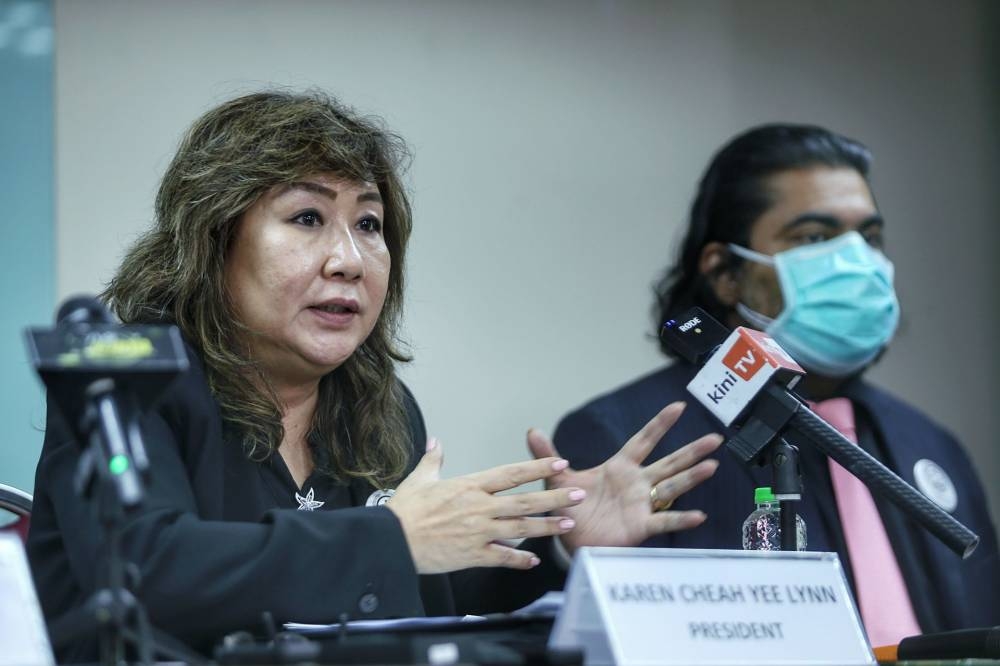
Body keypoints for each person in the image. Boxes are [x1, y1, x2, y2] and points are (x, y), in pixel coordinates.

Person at [26, 90, 724, 661]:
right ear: (213, 241)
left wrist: (562, 548)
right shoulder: (126, 382)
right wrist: (391, 538)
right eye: (307, 218)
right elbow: (146, 569)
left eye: (368, 224)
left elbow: (424, 598)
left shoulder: (378, 404)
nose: (350, 260)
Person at [554, 124, 1000, 643]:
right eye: (814, 238)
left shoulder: (932, 444)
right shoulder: (625, 436)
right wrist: (572, 557)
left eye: (869, 238)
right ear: (727, 273)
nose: (857, 262)